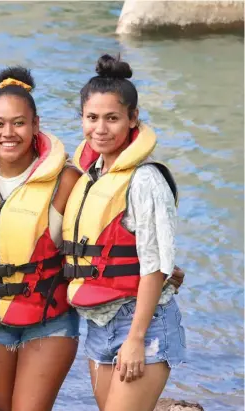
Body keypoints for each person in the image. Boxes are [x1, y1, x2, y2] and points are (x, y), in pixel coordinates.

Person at [62, 54, 186, 411]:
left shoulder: (145, 179)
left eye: (112, 118)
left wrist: (136, 338)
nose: (100, 129)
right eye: (92, 118)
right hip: (99, 322)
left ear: (133, 118)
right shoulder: (92, 175)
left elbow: (154, 266)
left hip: (141, 323)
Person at [0, 67, 81, 411]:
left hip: (49, 319)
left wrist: (161, 268)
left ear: (35, 125)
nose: (8, 133)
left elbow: (104, 231)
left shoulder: (66, 180)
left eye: (19, 123)